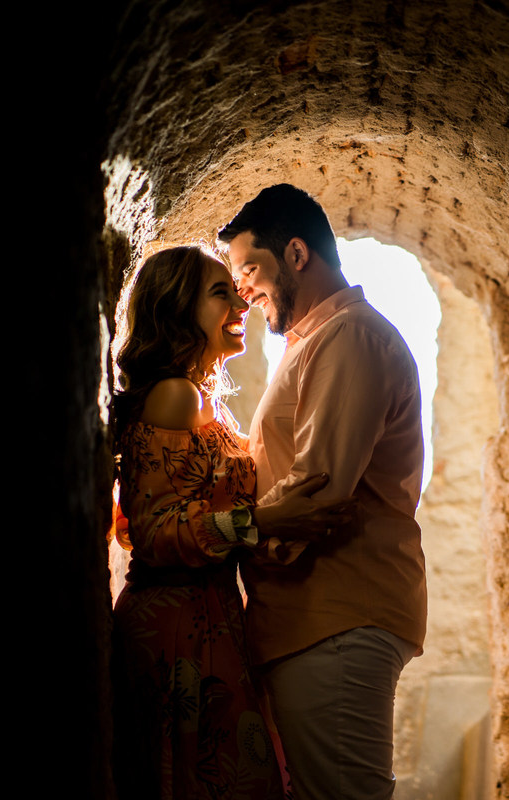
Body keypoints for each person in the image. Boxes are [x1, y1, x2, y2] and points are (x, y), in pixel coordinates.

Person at [110, 245, 352, 800]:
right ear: (177, 309)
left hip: (210, 616)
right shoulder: (174, 396)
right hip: (178, 627)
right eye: (221, 293)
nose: (241, 305)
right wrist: (269, 519)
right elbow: (154, 532)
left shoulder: (198, 398)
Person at [218, 184, 427, 800]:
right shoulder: (313, 341)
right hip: (311, 617)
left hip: (337, 614)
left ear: (297, 253)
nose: (242, 290)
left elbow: (317, 492)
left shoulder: (350, 336)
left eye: (249, 270)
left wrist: (219, 534)